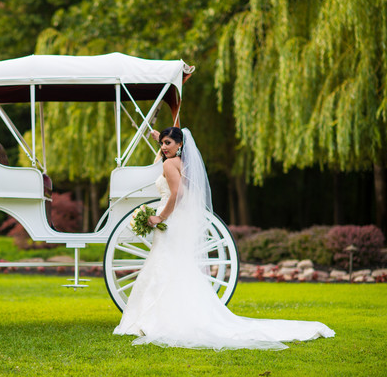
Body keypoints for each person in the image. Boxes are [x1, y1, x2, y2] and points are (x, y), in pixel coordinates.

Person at [113, 127, 335, 350]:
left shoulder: (169, 164)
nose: (163, 147)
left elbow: (177, 194)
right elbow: (178, 178)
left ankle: (157, 317)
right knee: (175, 266)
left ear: (180, 145)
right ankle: (175, 313)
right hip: (178, 221)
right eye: (162, 143)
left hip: (169, 219)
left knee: (164, 264)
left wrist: (160, 216)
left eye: (168, 143)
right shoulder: (182, 163)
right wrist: (158, 136)